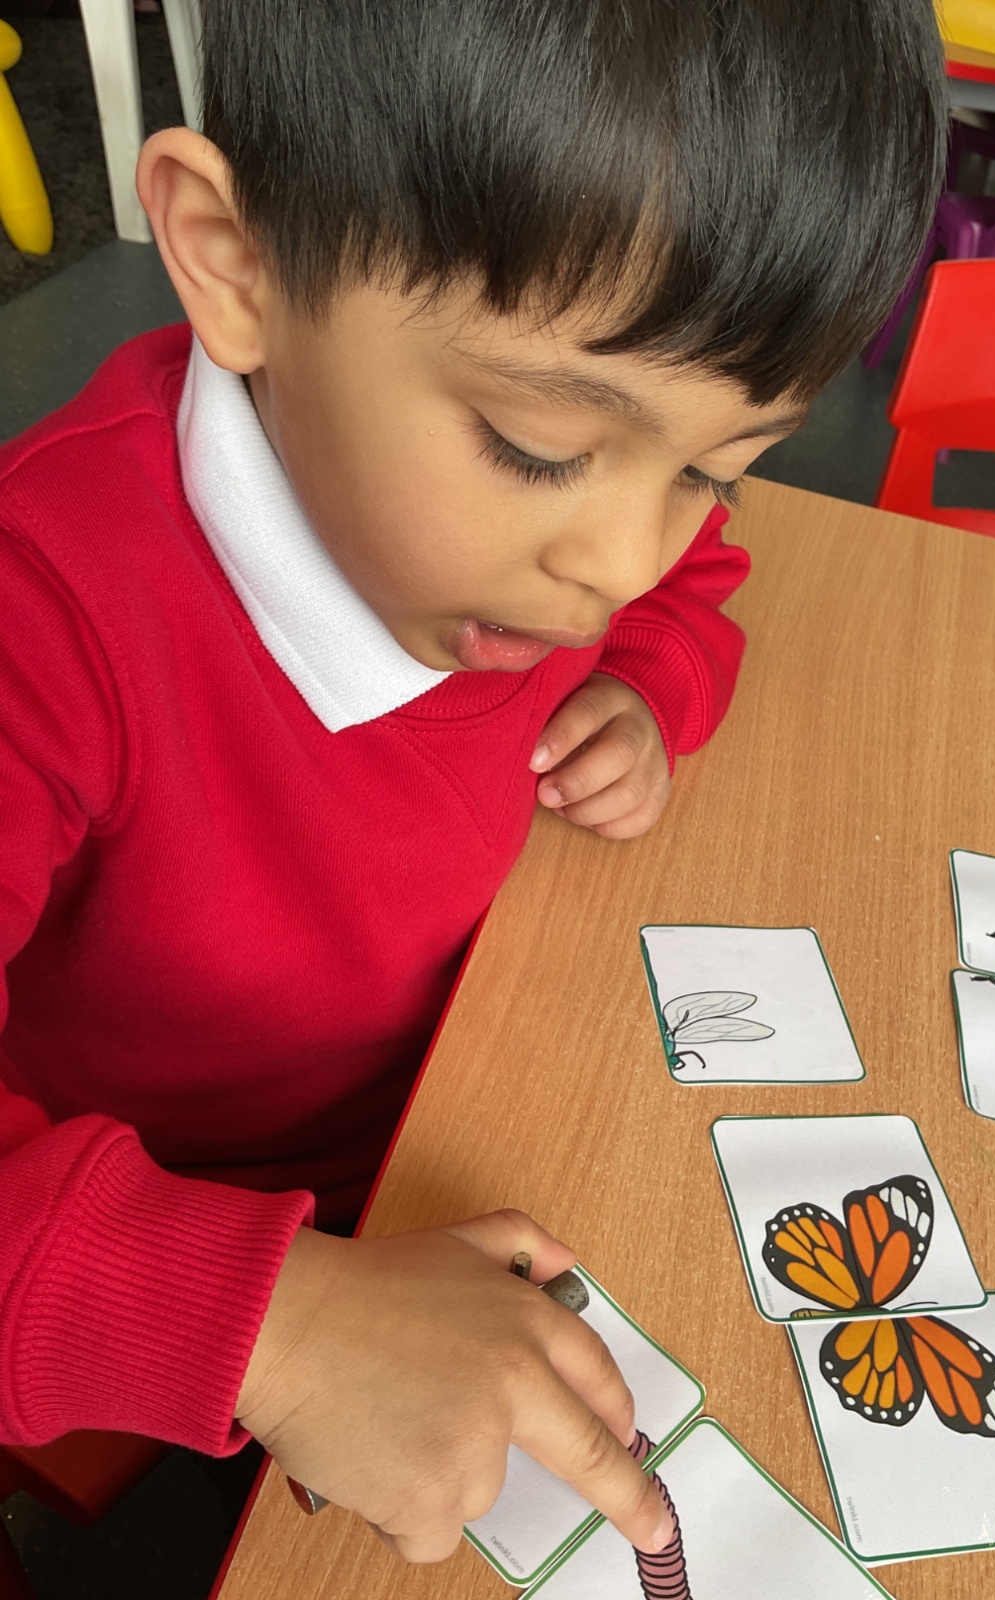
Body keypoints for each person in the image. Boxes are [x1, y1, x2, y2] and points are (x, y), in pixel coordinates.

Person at [0, 0, 946, 1568]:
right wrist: (269, 1323)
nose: (618, 561)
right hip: (165, 1255)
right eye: (538, 447)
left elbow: (687, 583)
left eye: (709, 466)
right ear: (236, 262)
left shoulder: (560, 533)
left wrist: (652, 686)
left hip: (469, 1097)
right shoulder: (47, 619)